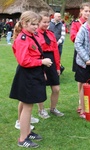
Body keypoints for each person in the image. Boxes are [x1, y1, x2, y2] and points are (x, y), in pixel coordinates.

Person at [9, 11, 52, 148]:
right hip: (27, 75)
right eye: (33, 24)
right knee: (27, 107)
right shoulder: (22, 38)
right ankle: (22, 139)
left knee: (30, 105)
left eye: (36, 24)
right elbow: (24, 61)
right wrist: (42, 62)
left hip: (34, 73)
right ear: (24, 23)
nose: (35, 27)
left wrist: (42, 71)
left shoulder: (31, 36)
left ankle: (27, 132)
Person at [37, 11, 64, 118]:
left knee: (56, 88)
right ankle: (41, 110)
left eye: (48, 22)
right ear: (38, 22)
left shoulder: (51, 34)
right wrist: (41, 70)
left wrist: (57, 66)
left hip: (52, 61)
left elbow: (56, 51)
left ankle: (53, 108)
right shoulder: (35, 35)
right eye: (44, 22)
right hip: (41, 61)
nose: (47, 24)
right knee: (41, 88)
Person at [70, 2, 90, 113]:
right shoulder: (76, 23)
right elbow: (73, 37)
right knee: (80, 80)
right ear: (81, 11)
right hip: (80, 53)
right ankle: (81, 103)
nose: (88, 13)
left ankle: (89, 98)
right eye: (86, 11)